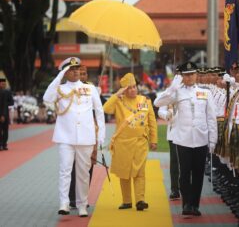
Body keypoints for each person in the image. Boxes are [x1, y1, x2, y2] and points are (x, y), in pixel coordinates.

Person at [43, 57, 105, 217]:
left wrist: (102, 135)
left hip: (86, 136)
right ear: (65, 72)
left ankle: (82, 204)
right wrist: (59, 77)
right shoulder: (60, 89)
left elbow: (99, 111)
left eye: (77, 68)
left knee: (83, 172)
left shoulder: (90, 89)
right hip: (65, 137)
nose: (76, 71)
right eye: (71, 69)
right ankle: (64, 202)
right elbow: (47, 99)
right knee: (65, 170)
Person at [154, 61, 217, 217]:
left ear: (196, 75)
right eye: (186, 75)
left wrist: (213, 140)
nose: (189, 78)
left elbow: (211, 118)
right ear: (181, 76)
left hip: (201, 138)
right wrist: (172, 88)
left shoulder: (205, 92)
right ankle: (186, 204)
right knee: (184, 174)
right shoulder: (177, 92)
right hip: (183, 139)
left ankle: (194, 205)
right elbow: (157, 103)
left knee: (198, 174)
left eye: (192, 74)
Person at [103, 73, 157, 211]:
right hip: (122, 144)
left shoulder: (145, 101)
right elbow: (106, 109)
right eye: (129, 88)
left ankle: (140, 200)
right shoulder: (119, 101)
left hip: (140, 143)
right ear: (124, 90)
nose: (133, 90)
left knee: (139, 172)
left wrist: (154, 140)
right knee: (124, 172)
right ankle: (127, 201)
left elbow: (152, 122)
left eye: (134, 87)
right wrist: (117, 95)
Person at [68, 65, 98, 209]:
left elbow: (100, 111)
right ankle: (72, 198)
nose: (82, 75)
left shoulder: (92, 90)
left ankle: (83, 198)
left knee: (88, 167)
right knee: (73, 167)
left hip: (90, 132)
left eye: (85, 73)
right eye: (80, 73)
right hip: (73, 133)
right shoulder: (69, 89)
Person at [158, 104, 180, 200]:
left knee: (187, 163)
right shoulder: (170, 94)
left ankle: (186, 188)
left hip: (189, 133)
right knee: (174, 161)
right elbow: (160, 110)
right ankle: (175, 189)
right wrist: (168, 113)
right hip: (174, 132)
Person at [0, 78, 14, 151]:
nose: (4, 85)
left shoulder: (7, 92)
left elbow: (11, 102)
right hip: (3, 113)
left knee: (5, 130)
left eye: (4, 84)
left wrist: (3, 114)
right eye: (2, 84)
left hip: (4, 114)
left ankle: (4, 144)